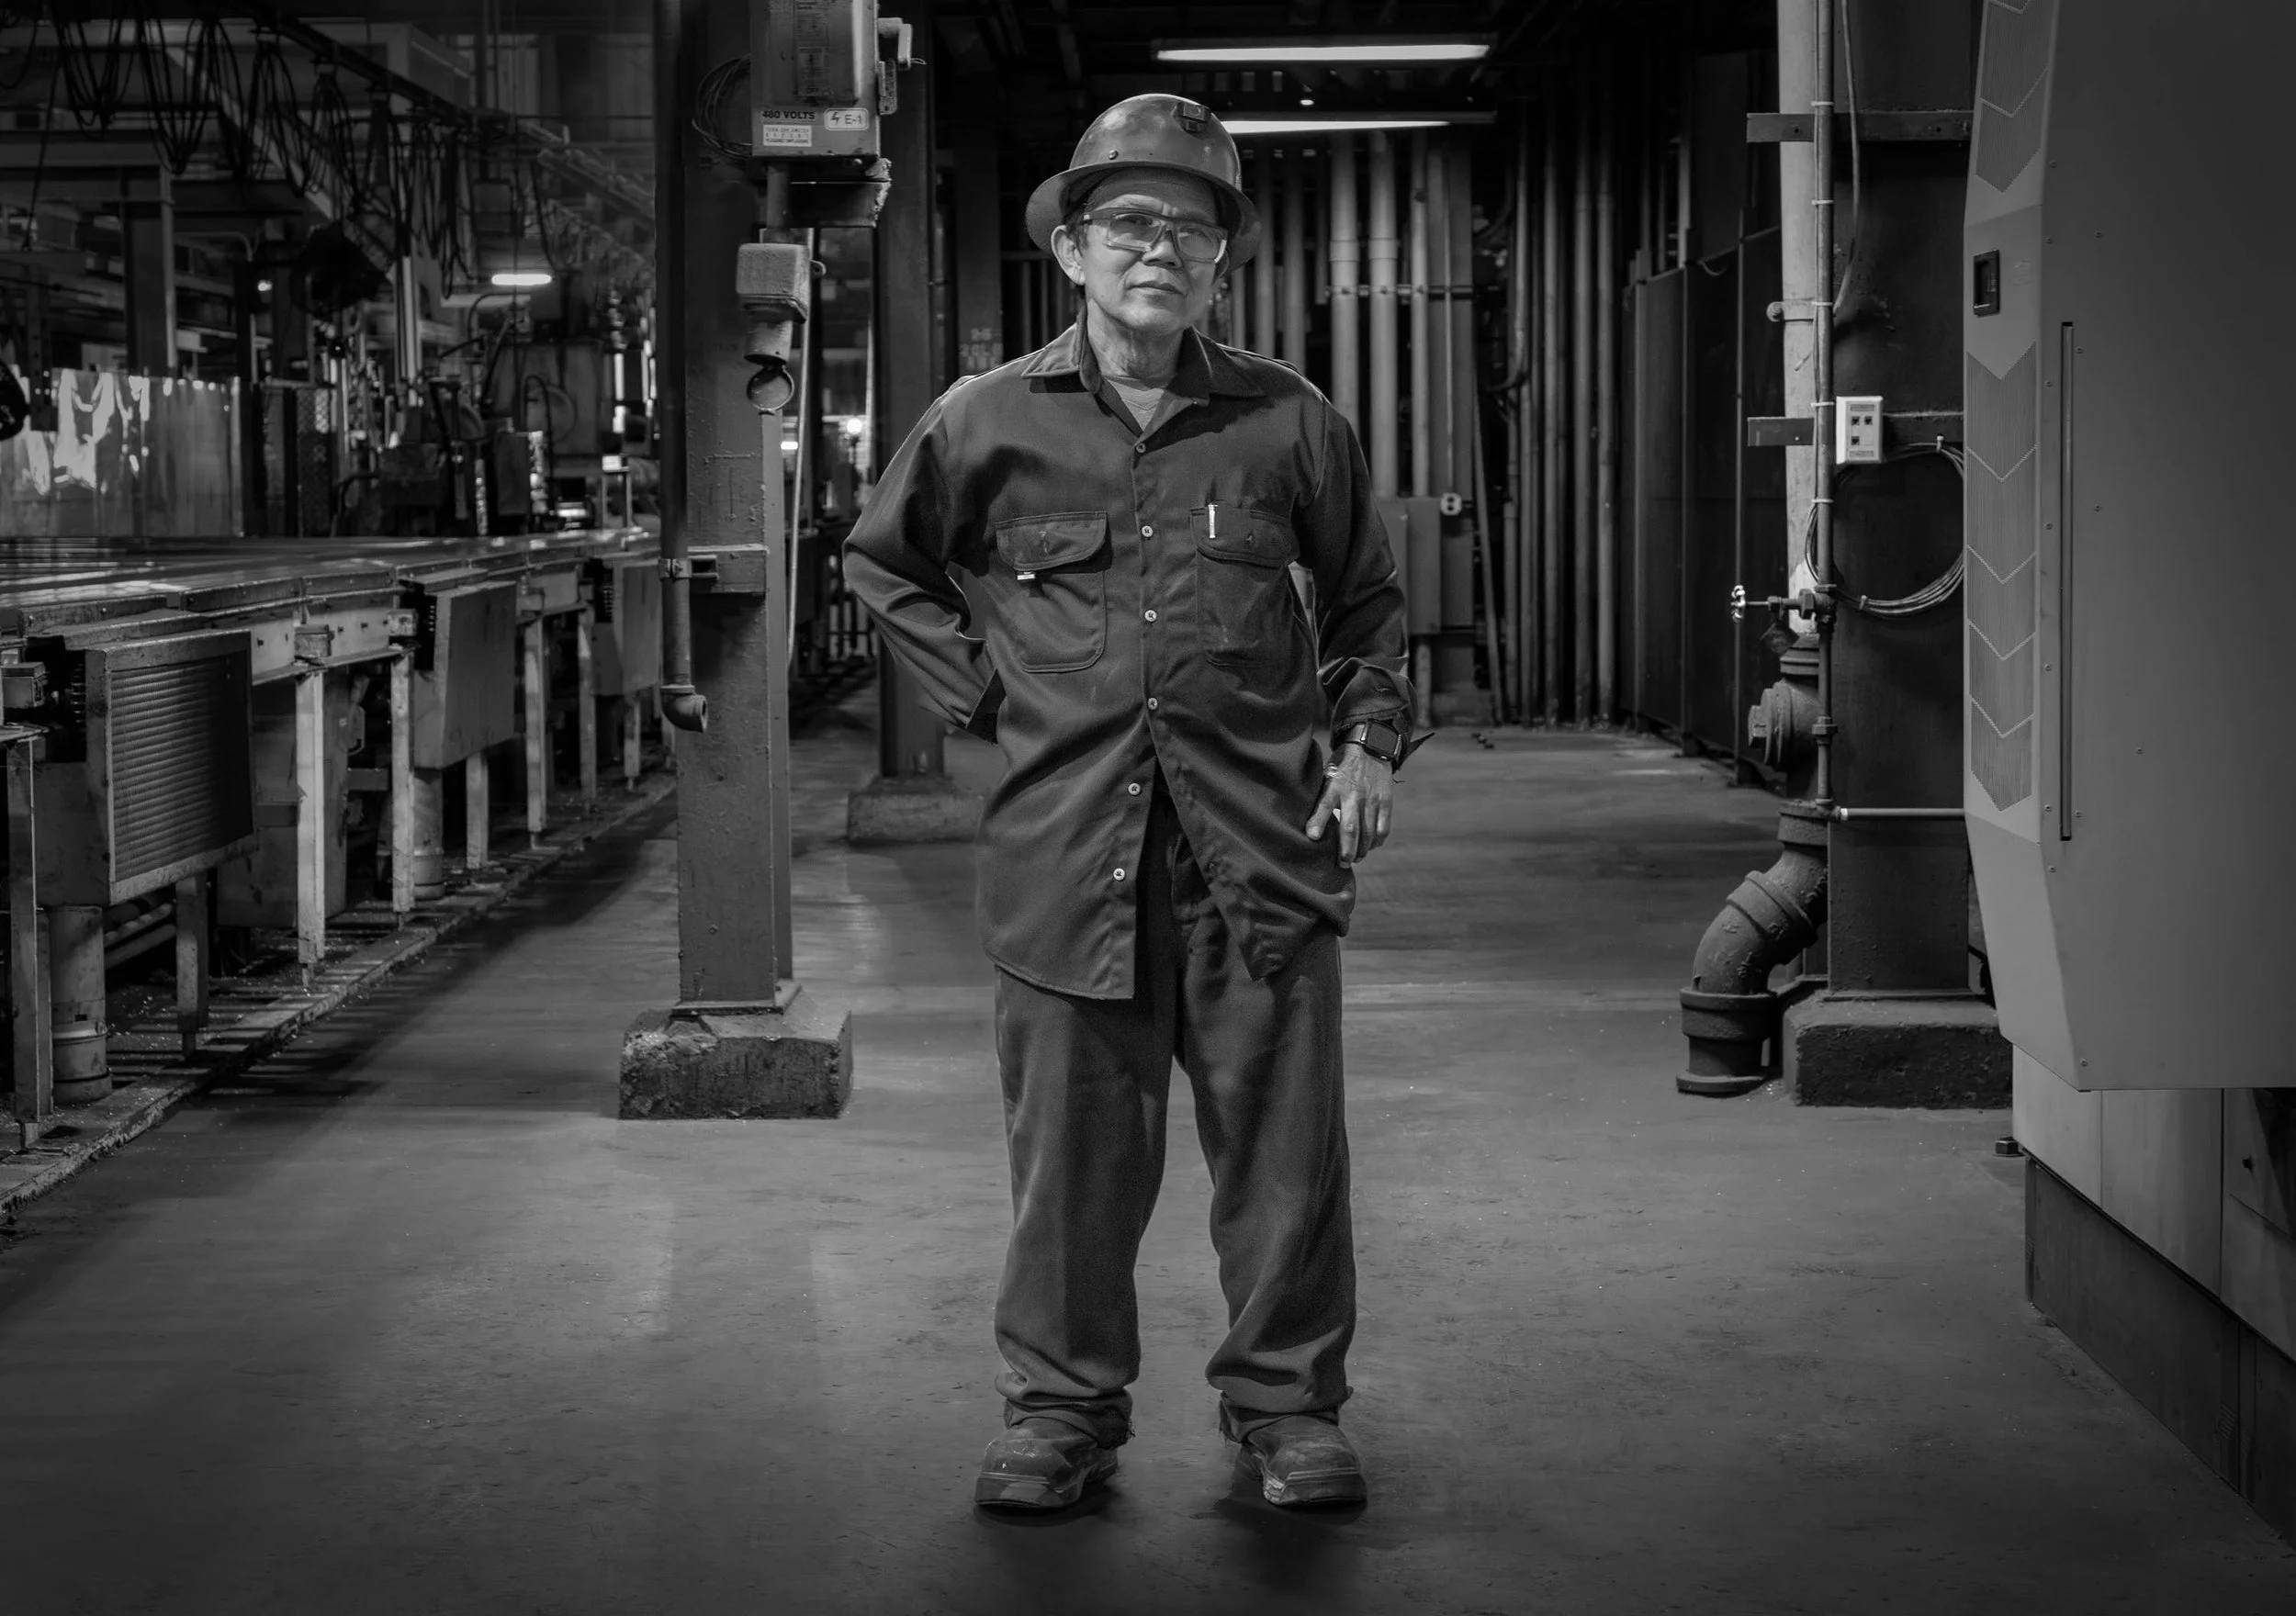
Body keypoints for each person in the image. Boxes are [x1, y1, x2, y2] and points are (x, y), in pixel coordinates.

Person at [842, 94, 1413, 1512]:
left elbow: (1368, 604)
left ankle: (1287, 1409)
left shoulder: (1289, 421)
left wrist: (1369, 745)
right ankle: (1061, 1412)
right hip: (1065, 852)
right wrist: (982, 694)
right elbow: (883, 561)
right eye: (1129, 224)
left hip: (1258, 853)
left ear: (1222, 262)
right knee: (1073, 1169)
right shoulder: (987, 423)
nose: (1160, 249)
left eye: (1191, 228)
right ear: (1076, 252)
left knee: (1286, 1160)